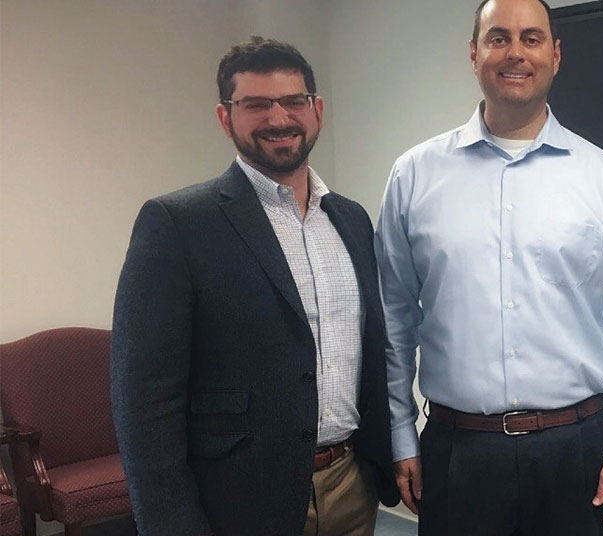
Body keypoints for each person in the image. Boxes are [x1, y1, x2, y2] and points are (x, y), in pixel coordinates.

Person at [374, 0, 603, 535]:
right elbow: (393, 320)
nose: (515, 53)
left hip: (578, 449)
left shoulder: (602, 177)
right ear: (473, 53)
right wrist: (400, 432)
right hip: (458, 453)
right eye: (497, 38)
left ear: (556, 54)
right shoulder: (414, 176)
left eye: (531, 38)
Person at [111, 37, 399, 536]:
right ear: (226, 118)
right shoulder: (178, 224)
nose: (278, 118)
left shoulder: (351, 220)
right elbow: (144, 401)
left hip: (352, 484)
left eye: (293, 101)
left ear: (318, 110)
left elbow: (375, 350)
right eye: (255, 104)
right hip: (239, 496)